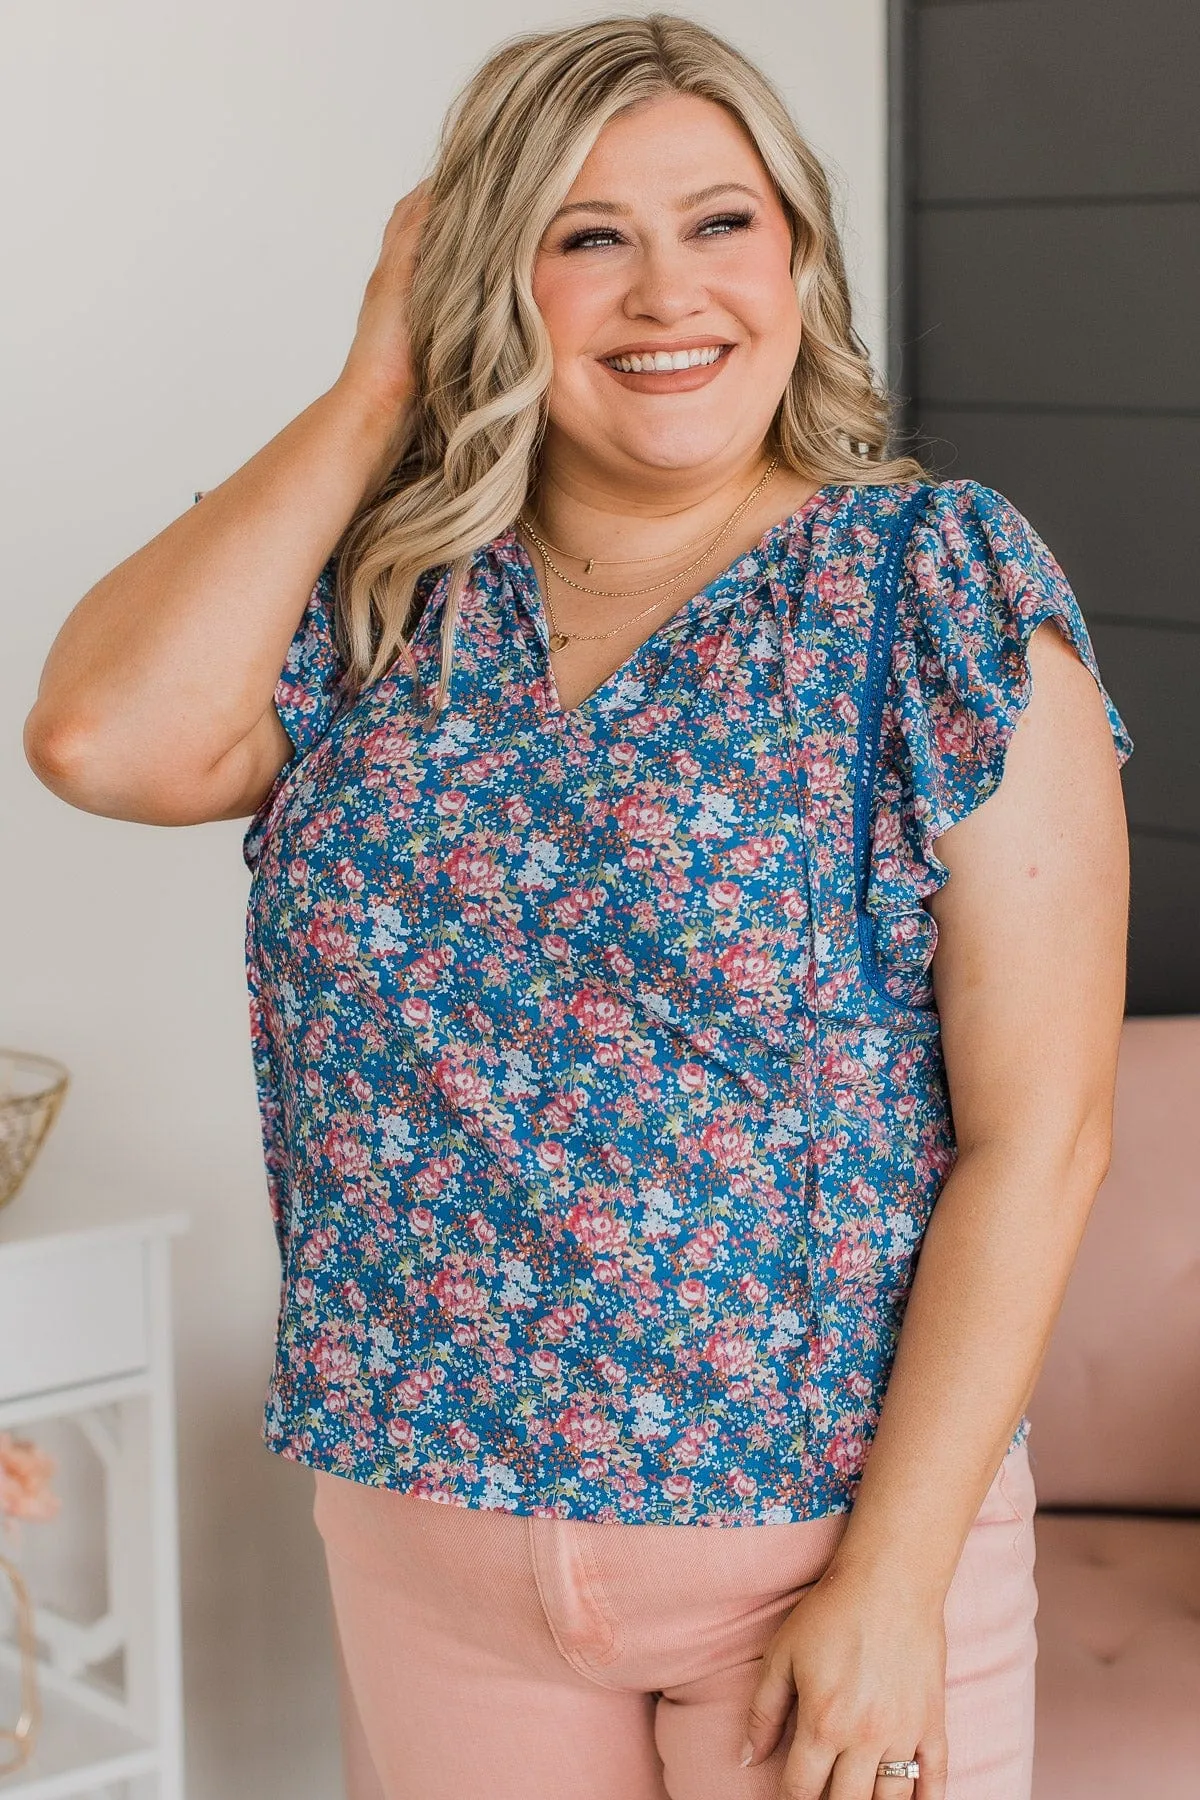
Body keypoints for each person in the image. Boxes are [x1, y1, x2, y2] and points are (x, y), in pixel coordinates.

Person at [24, 14, 1133, 1800]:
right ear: (492, 276)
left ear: (797, 255)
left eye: (720, 221)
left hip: (803, 1550)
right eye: (583, 234)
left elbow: (1046, 1133)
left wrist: (897, 1576)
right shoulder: (387, 592)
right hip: (424, 1531)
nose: (661, 290)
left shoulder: (932, 587)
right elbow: (99, 736)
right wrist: (376, 382)